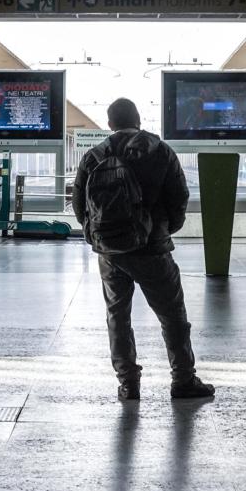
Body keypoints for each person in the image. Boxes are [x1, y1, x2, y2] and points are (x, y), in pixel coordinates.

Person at [72, 97, 215, 401]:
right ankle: (183, 380)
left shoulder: (93, 156)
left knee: (117, 316)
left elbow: (79, 204)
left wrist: (98, 236)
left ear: (109, 124)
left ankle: (128, 384)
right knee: (172, 316)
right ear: (138, 120)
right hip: (152, 250)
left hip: (110, 254)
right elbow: (179, 197)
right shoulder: (158, 150)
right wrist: (163, 229)